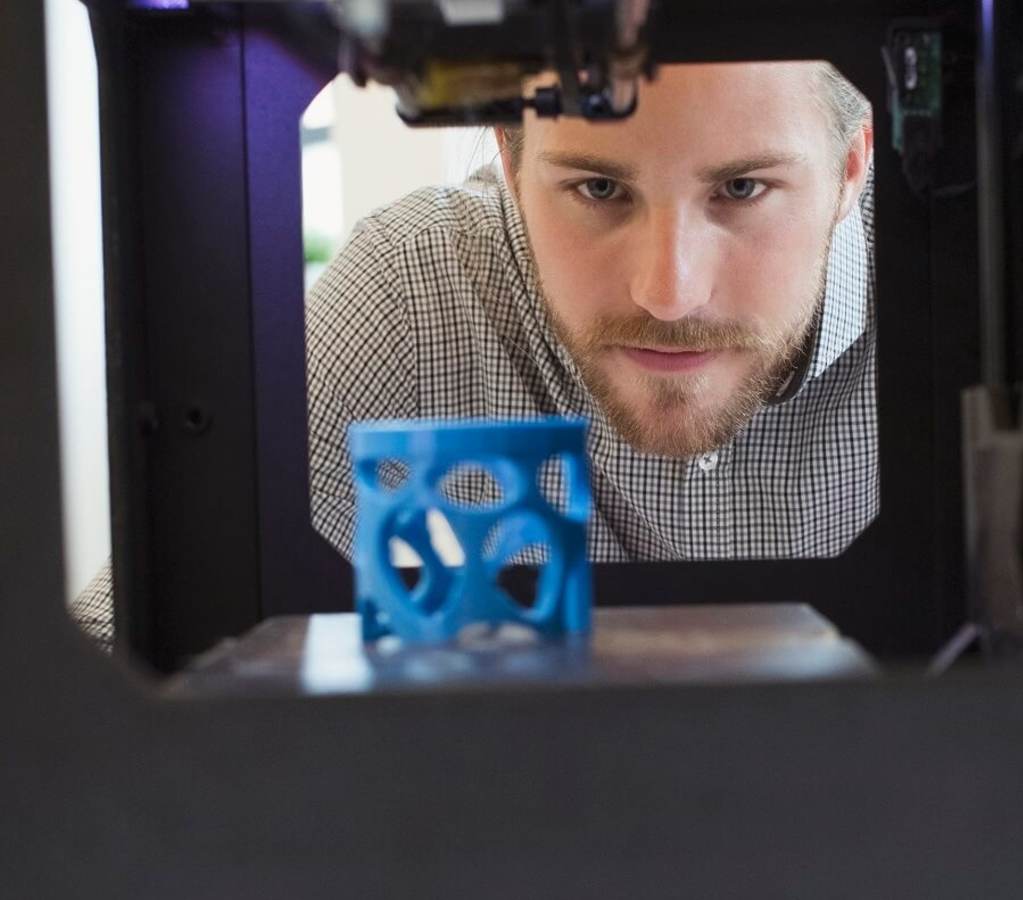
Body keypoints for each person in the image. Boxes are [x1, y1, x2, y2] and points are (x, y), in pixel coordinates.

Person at [71, 61, 877, 649]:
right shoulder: (417, 282)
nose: (669, 293)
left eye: (741, 190)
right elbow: (122, 657)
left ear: (850, 170)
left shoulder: (969, 296)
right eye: (599, 190)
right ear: (510, 159)